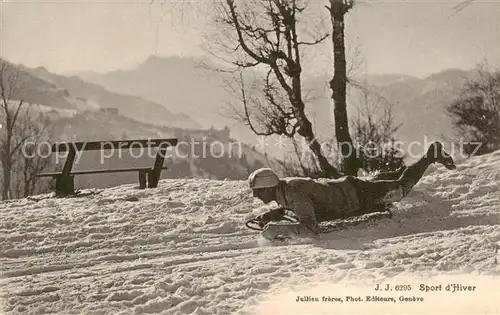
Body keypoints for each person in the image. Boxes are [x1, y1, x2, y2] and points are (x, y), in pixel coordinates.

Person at [248, 141, 457, 240]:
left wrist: (279, 229)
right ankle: (403, 169)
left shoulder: (294, 193)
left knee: (400, 189)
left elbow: (310, 228)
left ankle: (431, 155)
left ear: (268, 188)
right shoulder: (284, 188)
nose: (256, 195)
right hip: (349, 189)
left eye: (258, 191)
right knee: (387, 181)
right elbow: (297, 205)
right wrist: (276, 213)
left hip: (356, 196)